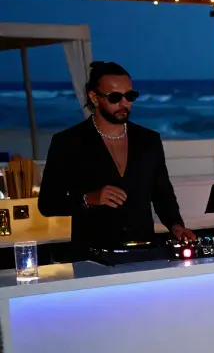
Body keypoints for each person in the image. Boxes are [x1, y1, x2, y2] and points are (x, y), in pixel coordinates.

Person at [38, 60, 196, 256]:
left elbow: (162, 194)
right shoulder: (68, 142)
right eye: (115, 97)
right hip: (91, 256)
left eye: (130, 96)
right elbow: (47, 204)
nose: (124, 103)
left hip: (143, 251)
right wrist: (89, 198)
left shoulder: (148, 140)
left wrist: (176, 226)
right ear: (94, 97)